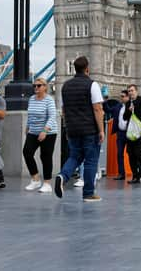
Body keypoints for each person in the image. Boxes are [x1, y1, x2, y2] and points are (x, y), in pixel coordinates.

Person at [54, 56, 105, 202]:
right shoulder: (92, 85)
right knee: (90, 160)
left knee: (74, 156)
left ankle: (62, 176)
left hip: (72, 129)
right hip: (89, 130)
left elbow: (64, 110)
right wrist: (101, 130)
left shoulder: (65, 86)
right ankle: (88, 193)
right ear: (87, 68)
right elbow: (97, 109)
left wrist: (67, 128)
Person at [23, 77, 58, 193]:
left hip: (49, 132)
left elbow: (52, 116)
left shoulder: (49, 100)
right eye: (34, 86)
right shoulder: (32, 99)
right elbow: (30, 114)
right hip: (33, 131)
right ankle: (36, 179)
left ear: (45, 87)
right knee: (27, 152)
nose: (36, 88)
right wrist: (27, 126)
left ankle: (47, 183)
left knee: (45, 156)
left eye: (39, 85)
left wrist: (45, 130)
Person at [124, 84, 141, 184]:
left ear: (136, 91)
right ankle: (135, 175)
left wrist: (133, 109)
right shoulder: (127, 103)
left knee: (137, 152)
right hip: (131, 131)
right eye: (129, 91)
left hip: (140, 130)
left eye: (132, 90)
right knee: (130, 153)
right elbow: (124, 117)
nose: (130, 93)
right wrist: (128, 110)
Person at [105, 90, 129, 180]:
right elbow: (108, 110)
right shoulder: (118, 106)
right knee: (119, 154)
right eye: (120, 96)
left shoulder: (131, 106)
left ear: (127, 97)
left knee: (132, 153)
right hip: (120, 133)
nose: (121, 98)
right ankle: (121, 174)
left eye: (123, 96)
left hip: (129, 133)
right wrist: (105, 101)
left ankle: (137, 172)